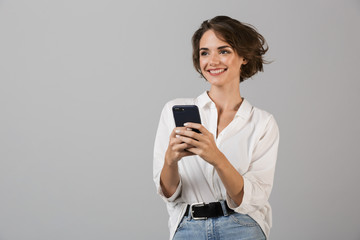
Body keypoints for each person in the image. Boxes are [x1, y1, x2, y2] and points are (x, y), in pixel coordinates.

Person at [153, 15, 279, 240]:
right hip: (189, 227)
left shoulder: (262, 123)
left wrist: (217, 157)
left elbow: (251, 198)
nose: (212, 61)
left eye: (223, 51)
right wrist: (170, 161)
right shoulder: (173, 111)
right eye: (204, 52)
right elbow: (169, 193)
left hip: (242, 226)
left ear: (244, 57)